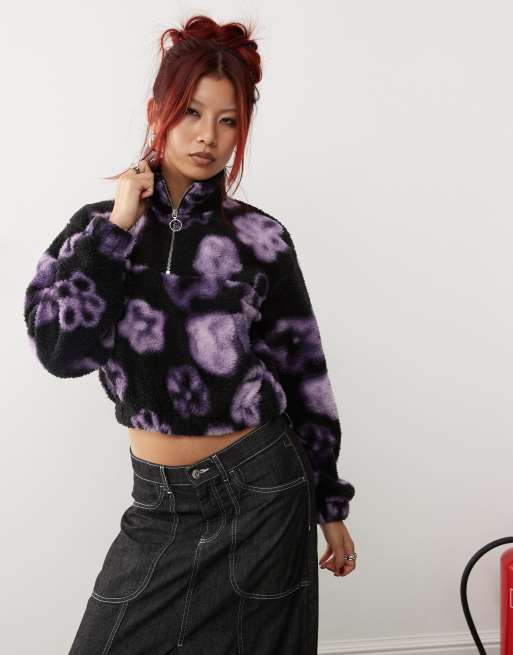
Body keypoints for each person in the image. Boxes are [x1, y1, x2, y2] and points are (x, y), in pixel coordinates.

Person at [23, 14, 357, 655]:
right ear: (159, 111)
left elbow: (304, 372)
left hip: (263, 490)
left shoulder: (260, 237)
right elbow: (60, 352)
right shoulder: (97, 228)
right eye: (192, 113)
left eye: (228, 121)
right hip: (157, 505)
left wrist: (329, 503)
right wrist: (116, 232)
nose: (208, 136)